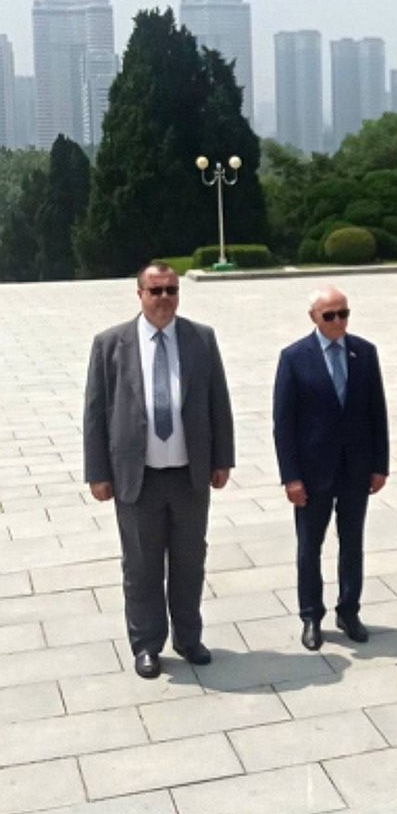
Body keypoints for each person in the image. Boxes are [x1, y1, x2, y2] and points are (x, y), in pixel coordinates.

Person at [83, 261, 234, 679]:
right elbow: (96, 412)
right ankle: (147, 644)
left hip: (189, 476)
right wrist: (98, 471)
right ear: (140, 295)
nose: (165, 298)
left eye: (171, 290)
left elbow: (217, 401)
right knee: (142, 565)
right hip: (138, 478)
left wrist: (222, 459)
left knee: (189, 561)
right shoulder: (111, 344)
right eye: (156, 291)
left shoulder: (200, 339)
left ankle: (188, 637)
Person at [273, 286, 389, 651]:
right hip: (312, 472)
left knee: (352, 543)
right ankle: (311, 615)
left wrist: (379, 465)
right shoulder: (294, 357)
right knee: (310, 546)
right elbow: (283, 422)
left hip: (355, 468)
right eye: (329, 315)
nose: (338, 321)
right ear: (313, 318)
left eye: (343, 313)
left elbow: (377, 413)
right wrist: (290, 476)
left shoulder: (364, 353)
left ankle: (349, 610)